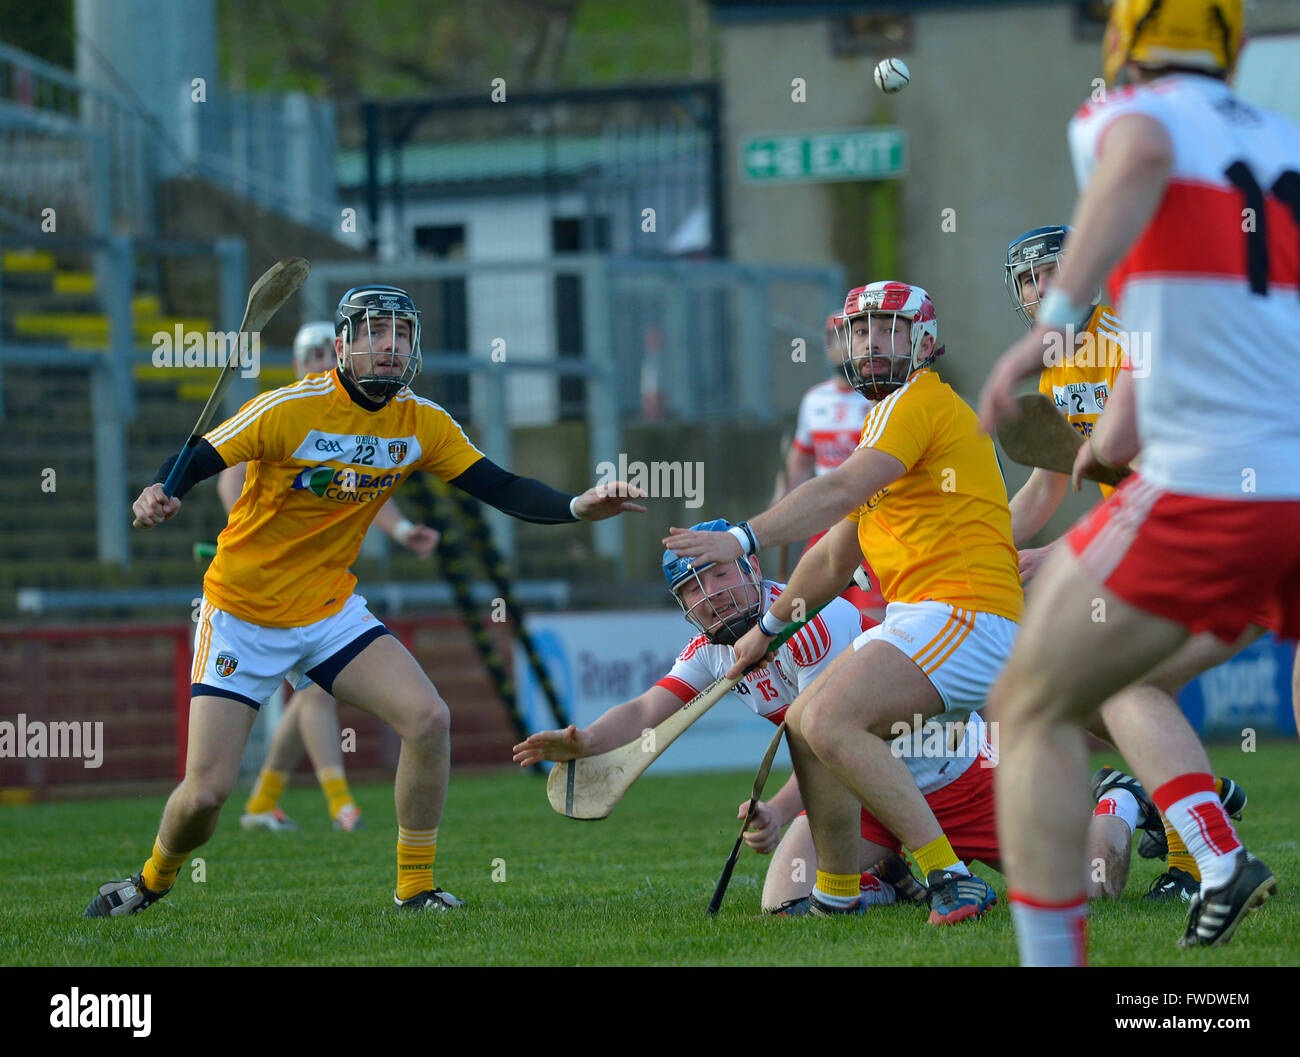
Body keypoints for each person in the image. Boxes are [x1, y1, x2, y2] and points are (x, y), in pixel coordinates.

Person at [85, 284, 645, 917]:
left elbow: (503, 486)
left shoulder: (421, 422)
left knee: (429, 719)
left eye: (401, 334)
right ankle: (150, 881)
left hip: (328, 611)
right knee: (207, 794)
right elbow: (199, 455)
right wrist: (162, 490)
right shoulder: (290, 407)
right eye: (375, 333)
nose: (390, 346)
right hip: (243, 614)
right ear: (344, 345)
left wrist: (577, 506)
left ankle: (415, 888)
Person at [978, 0, 1297, 961]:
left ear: (1121, 43)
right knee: (1131, 686)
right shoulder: (1283, 143)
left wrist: (1051, 321)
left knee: (1030, 705)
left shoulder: (1129, 117)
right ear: (1232, 44)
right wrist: (1105, 442)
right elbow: (1167, 360)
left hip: (1219, 489)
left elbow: (1143, 156)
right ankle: (1213, 846)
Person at [665, 281, 1018, 923]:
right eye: (861, 331)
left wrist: (740, 538)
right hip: (932, 616)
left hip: (965, 613)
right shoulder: (885, 423)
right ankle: (838, 894)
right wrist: (767, 630)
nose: (873, 341)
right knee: (806, 718)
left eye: (891, 328)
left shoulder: (918, 402)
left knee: (825, 717)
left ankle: (949, 877)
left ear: (926, 343)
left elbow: (839, 489)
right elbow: (834, 555)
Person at [512, 520, 997, 914]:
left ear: (752, 567)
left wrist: (781, 811)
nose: (711, 594)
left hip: (955, 773)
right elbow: (645, 709)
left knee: (1070, 883)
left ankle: (931, 869)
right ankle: (888, 879)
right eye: (693, 590)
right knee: (785, 903)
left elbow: (826, 746)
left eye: (719, 574)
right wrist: (589, 741)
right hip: (865, 803)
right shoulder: (710, 651)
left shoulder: (812, 623)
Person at [1004, 228, 1254, 902]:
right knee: (1113, 688)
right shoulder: (1056, 371)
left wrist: (1060, 552)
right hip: (1151, 540)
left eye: (1050, 272)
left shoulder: (1127, 343)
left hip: (1191, 530)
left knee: (1116, 683)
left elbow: (1154, 466)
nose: (1039, 290)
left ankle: (1192, 838)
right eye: (1026, 280)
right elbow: (1044, 491)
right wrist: (979, 541)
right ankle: (1195, 822)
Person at [218, 321, 439, 834]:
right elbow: (230, 477)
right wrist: (253, 537)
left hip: (323, 593)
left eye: (326, 351)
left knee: (315, 694)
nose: (320, 361)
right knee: (308, 699)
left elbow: (366, 486)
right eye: (311, 352)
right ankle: (322, 803)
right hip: (257, 593)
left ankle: (273, 803)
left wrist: (404, 531)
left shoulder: (365, 419)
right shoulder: (284, 411)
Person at [776, 312, 886, 623]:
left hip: (869, 521)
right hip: (824, 520)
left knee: (873, 618)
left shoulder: (880, 399)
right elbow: (798, 464)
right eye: (835, 337)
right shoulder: (814, 400)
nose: (845, 345)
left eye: (854, 335)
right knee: (801, 618)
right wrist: (779, 514)